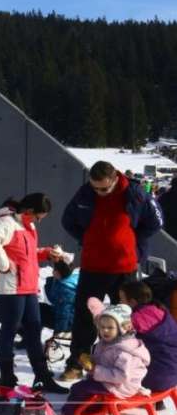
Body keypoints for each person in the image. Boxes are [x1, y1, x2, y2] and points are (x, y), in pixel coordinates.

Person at [60, 161, 163, 381]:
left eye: (105, 188)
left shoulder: (134, 192)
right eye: (96, 188)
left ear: (115, 179)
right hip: (93, 266)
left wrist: (133, 244)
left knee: (128, 319)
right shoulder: (86, 193)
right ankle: (77, 362)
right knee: (85, 316)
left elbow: (155, 222)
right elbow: (68, 220)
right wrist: (87, 239)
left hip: (124, 268)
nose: (100, 192)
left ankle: (131, 365)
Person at [0, 194, 68, 393]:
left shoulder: (28, 226)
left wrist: (46, 253)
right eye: (38, 216)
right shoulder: (7, 222)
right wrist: (4, 265)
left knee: (34, 329)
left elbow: (25, 253)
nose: (39, 221)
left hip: (28, 286)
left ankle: (42, 377)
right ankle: (6, 376)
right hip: (11, 288)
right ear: (28, 211)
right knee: (10, 329)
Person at [60, 300, 150, 415]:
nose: (105, 331)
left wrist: (95, 370)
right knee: (88, 384)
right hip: (111, 380)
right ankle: (92, 406)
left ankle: (69, 413)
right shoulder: (107, 342)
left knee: (79, 388)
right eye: (102, 327)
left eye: (110, 327)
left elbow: (121, 376)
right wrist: (90, 360)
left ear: (122, 328)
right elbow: (103, 359)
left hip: (122, 385)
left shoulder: (124, 351)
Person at [119, 281, 177, 392]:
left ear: (132, 302)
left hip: (156, 378)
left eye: (122, 300)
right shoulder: (160, 309)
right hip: (174, 371)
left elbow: (118, 341)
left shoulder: (135, 319)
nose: (119, 302)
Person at [43, 257, 79, 336]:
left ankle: (29, 339)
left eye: (54, 269)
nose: (52, 271)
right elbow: (53, 299)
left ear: (58, 272)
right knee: (36, 308)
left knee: (36, 313)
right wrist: (51, 281)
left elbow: (64, 312)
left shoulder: (66, 290)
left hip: (67, 323)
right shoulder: (64, 282)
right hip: (63, 316)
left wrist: (59, 332)